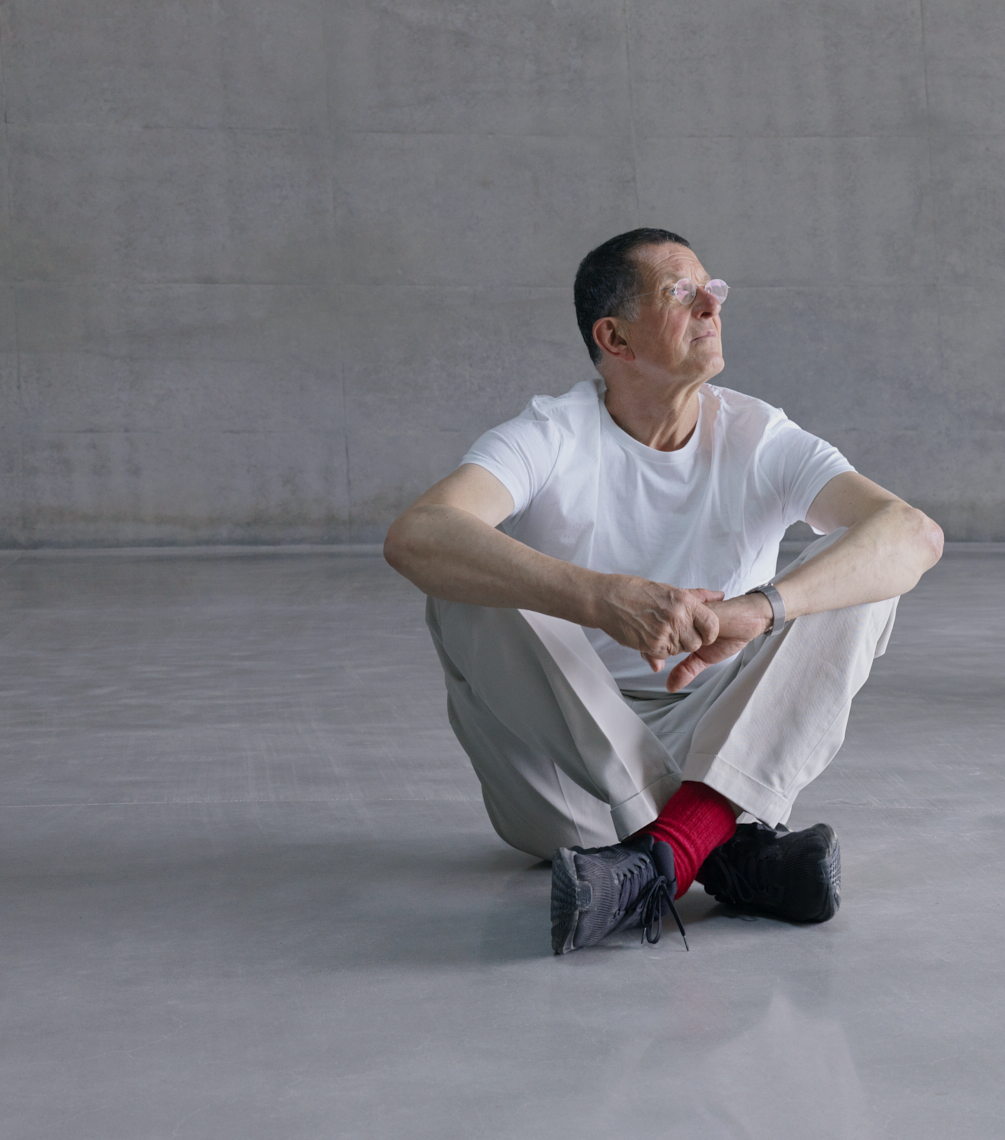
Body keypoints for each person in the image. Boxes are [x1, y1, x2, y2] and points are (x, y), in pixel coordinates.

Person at [383, 228, 944, 953]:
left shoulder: (757, 433)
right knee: (463, 576)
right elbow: (415, 534)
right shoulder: (552, 434)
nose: (711, 302)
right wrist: (600, 598)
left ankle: (662, 858)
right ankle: (719, 842)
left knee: (865, 566)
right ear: (614, 337)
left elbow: (913, 534)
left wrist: (758, 609)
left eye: (713, 288)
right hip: (564, 782)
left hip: (721, 738)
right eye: (682, 292)